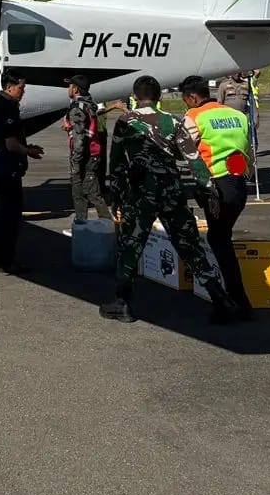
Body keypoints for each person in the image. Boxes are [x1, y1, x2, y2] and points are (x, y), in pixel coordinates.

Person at [98, 76, 237, 325]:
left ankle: (123, 302)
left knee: (131, 244)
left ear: (135, 95)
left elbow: (117, 161)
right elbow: (193, 158)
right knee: (189, 245)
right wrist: (208, 190)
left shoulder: (125, 121)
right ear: (159, 97)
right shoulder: (172, 121)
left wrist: (116, 195)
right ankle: (221, 299)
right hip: (172, 190)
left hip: (141, 192)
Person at [180, 74, 254, 318]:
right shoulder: (237, 115)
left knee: (219, 242)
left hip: (215, 187)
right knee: (221, 239)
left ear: (192, 97)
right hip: (238, 185)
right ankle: (235, 300)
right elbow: (245, 147)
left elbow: (184, 150)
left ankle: (233, 302)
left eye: (185, 100)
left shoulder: (194, 116)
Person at [0, 72, 41, 271]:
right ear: (10, 87)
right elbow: (10, 143)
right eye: (20, 88)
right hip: (6, 166)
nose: (22, 92)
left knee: (4, 213)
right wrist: (28, 151)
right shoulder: (7, 107)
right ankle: (5, 259)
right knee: (11, 215)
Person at [62, 74, 111, 222]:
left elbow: (79, 140)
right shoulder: (89, 104)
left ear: (75, 89)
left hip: (84, 156)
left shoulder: (77, 109)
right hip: (92, 154)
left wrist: (75, 165)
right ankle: (105, 222)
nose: (68, 89)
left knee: (81, 193)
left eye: (69, 86)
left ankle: (86, 223)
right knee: (92, 190)